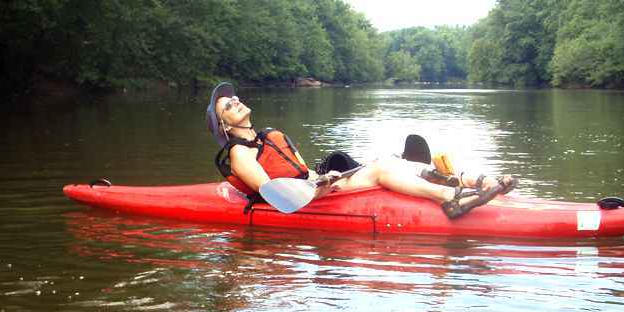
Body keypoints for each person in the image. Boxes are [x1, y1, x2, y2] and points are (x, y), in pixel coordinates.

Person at [205, 82, 517, 219]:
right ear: (225, 126)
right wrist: (319, 187)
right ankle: (448, 198)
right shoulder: (239, 154)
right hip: (304, 200)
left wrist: (324, 178)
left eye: (235, 99)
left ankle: (468, 181)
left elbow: (305, 171)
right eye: (228, 106)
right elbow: (272, 192)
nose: (236, 102)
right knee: (382, 169)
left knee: (387, 161)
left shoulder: (272, 135)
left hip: (319, 187)